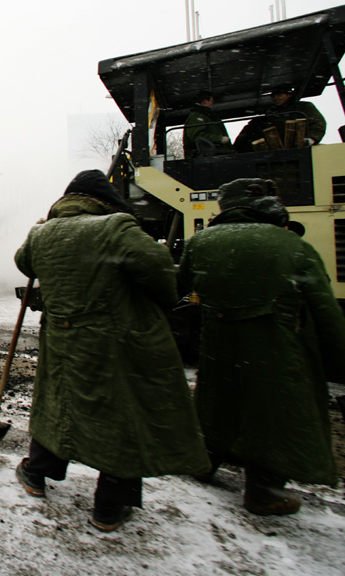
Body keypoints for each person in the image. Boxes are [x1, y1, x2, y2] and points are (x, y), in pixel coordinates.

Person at [13, 169, 209, 532]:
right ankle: (110, 505)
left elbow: (24, 262)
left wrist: (43, 226)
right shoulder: (116, 228)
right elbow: (160, 274)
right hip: (113, 342)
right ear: (104, 201)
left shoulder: (42, 233)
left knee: (59, 402)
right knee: (122, 415)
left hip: (61, 338)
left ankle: (37, 472)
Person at [178, 178, 345, 516]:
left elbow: (178, 288)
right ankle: (264, 492)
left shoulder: (201, 242)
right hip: (275, 347)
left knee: (217, 403)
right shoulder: (292, 245)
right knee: (273, 416)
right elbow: (325, 310)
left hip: (218, 344)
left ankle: (202, 463)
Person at [234, 84, 327, 152]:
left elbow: (318, 123)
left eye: (279, 95)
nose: (276, 98)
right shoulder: (271, 113)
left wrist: (311, 139)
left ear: (289, 95)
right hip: (274, 148)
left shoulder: (303, 107)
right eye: (273, 96)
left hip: (297, 147)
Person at [182, 90, 234, 159]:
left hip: (216, 154)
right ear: (205, 101)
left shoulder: (209, 117)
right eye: (211, 101)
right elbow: (197, 136)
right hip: (203, 156)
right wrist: (219, 139)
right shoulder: (196, 117)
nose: (212, 103)